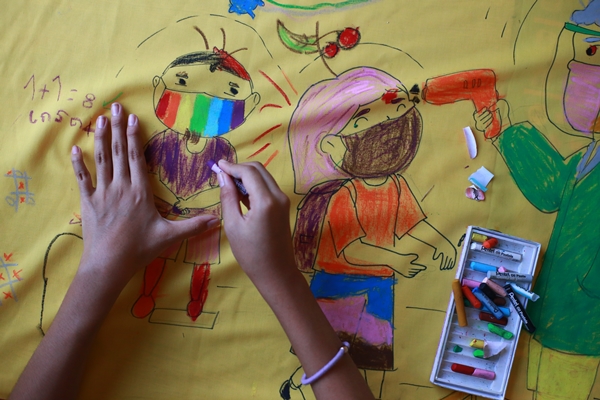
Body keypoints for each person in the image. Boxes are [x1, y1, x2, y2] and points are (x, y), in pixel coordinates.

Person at [8, 104, 375, 400]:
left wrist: (99, 268)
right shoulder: (168, 144)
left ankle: (194, 299)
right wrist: (281, 277)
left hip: (199, 239)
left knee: (200, 266)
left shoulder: (222, 150)